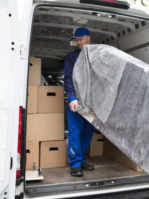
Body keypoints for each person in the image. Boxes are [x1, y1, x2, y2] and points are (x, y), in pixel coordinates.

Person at [64, 27, 95, 177]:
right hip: (76, 100)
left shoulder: (97, 56)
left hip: (92, 102)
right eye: (76, 40)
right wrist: (71, 98)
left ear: (88, 38)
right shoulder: (71, 58)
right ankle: (75, 164)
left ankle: (81, 159)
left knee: (88, 131)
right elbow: (69, 79)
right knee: (75, 131)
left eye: (80, 39)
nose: (78, 42)